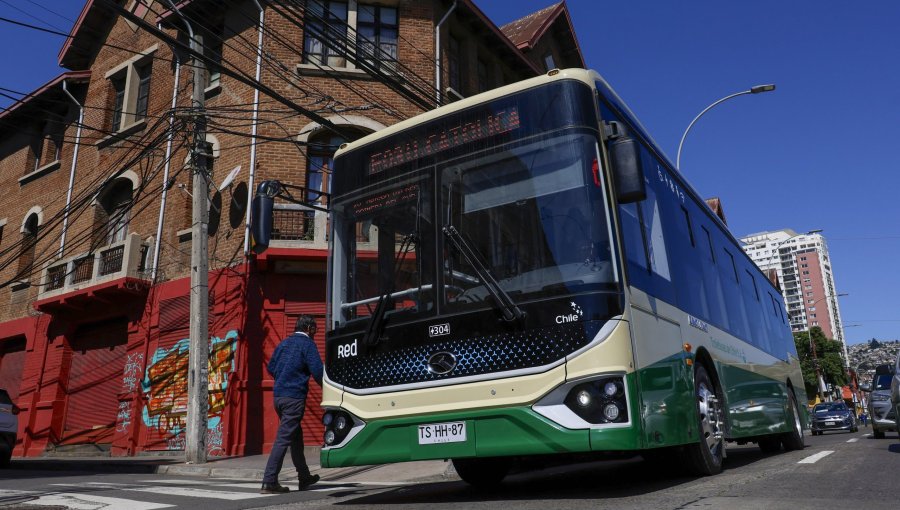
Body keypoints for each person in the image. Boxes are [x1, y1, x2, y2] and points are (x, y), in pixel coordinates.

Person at [260, 315, 324, 494]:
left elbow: (271, 367)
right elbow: (318, 371)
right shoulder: (307, 345)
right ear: (309, 328)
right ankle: (269, 480)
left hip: (279, 397)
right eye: (315, 330)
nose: (315, 334)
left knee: (296, 438)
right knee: (283, 439)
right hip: (293, 398)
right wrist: (329, 390)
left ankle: (304, 477)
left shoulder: (283, 344)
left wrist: (284, 378)